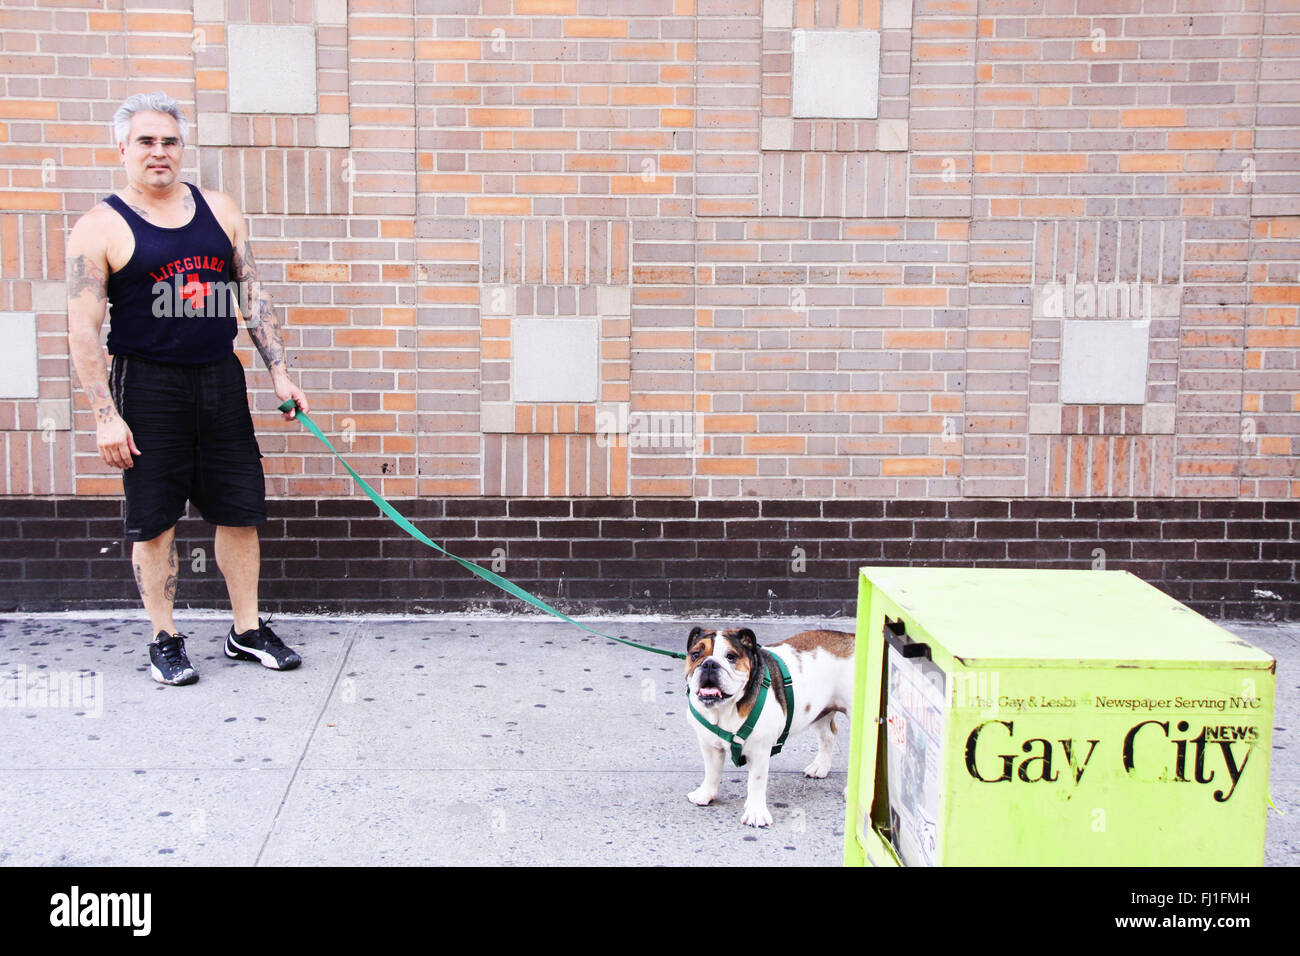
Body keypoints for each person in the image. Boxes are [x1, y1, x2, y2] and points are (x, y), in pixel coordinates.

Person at [66, 91, 309, 685]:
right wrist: (105, 415)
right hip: (147, 386)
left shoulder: (219, 209)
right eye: (146, 141)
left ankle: (245, 630)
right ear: (122, 148)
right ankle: (165, 637)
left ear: (183, 148)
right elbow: (82, 329)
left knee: (241, 512)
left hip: (219, 380)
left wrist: (279, 370)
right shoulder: (100, 226)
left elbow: (250, 293)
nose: (159, 152)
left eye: (169, 141)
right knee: (154, 522)